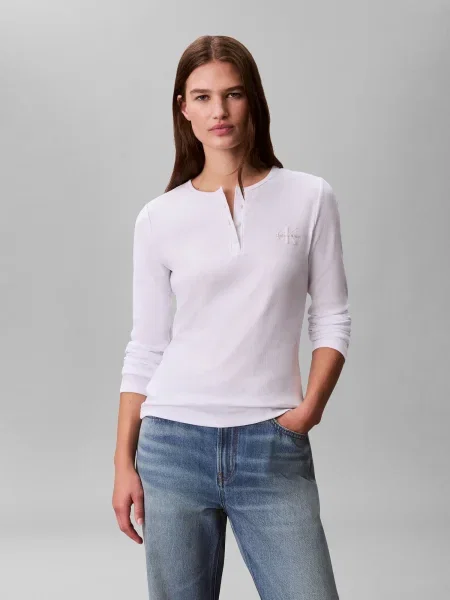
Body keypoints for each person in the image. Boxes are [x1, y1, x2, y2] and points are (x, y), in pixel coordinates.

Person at [112, 34, 351, 600]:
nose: (218, 110)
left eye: (233, 94)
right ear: (184, 109)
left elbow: (333, 317)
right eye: (202, 97)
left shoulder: (310, 197)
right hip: (172, 445)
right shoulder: (159, 217)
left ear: (253, 100)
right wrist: (123, 463)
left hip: (273, 446)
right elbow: (145, 347)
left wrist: (309, 410)